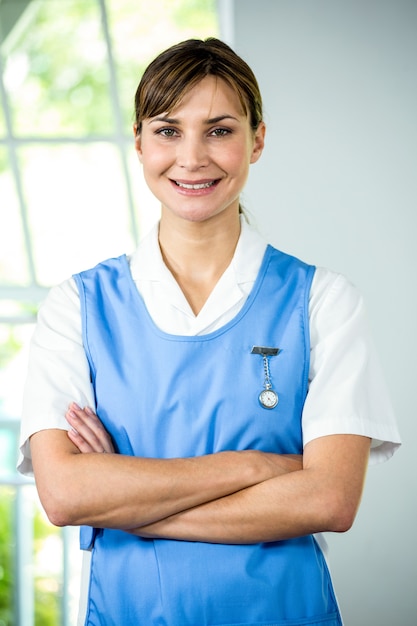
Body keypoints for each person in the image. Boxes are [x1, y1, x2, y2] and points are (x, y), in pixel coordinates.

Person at [18, 38, 401, 626]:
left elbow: (329, 499)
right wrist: (254, 467)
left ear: (258, 139)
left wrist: (120, 500)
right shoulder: (78, 307)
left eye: (219, 130)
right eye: (168, 131)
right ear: (140, 142)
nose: (192, 157)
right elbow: (66, 495)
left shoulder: (324, 301)